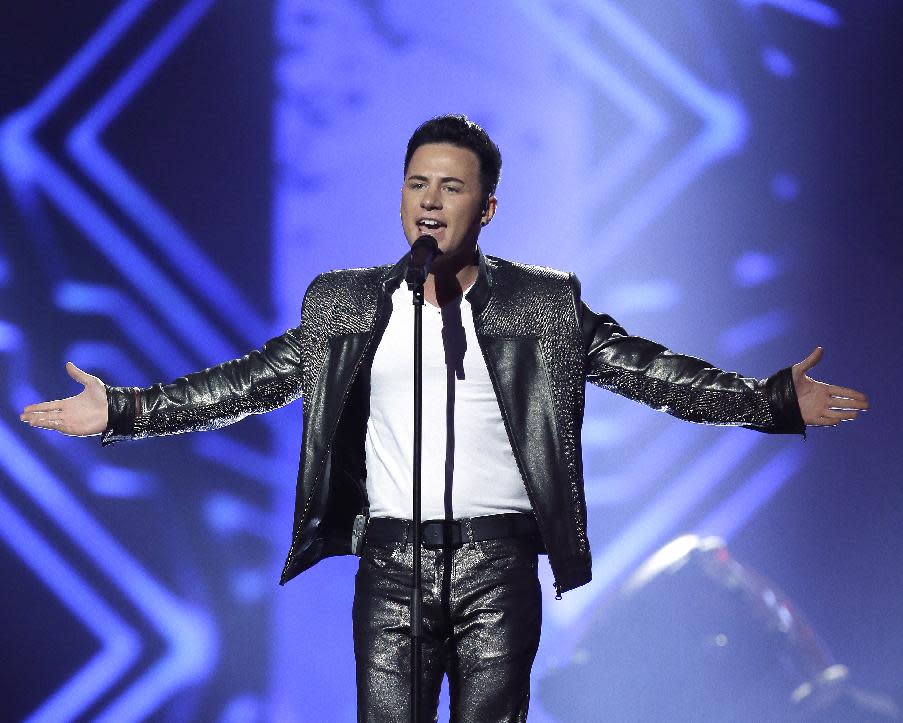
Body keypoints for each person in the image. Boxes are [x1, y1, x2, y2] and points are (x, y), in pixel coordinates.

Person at [21, 115, 869, 722]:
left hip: (497, 562)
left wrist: (767, 401)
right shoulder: (347, 303)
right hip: (390, 562)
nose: (429, 201)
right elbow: (250, 381)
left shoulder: (541, 305)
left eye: (451, 186)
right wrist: (124, 411)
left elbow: (643, 369)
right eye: (416, 183)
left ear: (486, 206)